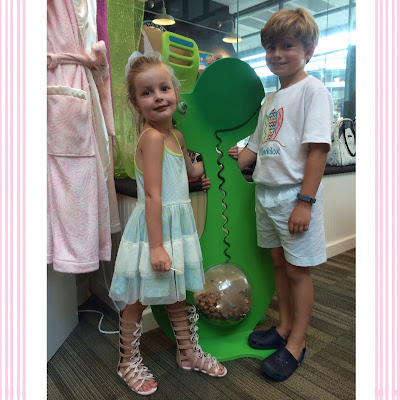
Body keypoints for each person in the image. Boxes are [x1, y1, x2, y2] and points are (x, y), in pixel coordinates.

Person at [223, 8, 333, 382]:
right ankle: (284, 327)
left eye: (287, 46)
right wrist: (216, 161)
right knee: (279, 263)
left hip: (294, 196)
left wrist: (305, 202)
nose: (276, 54)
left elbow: (318, 151)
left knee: (299, 271)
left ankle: (297, 344)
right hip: (266, 195)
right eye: (271, 47)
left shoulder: (313, 91)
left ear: (308, 51)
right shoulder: (271, 101)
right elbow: (253, 150)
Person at [109, 51, 227, 396]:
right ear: (136, 103)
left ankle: (187, 352)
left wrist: (201, 174)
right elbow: (152, 195)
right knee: (137, 299)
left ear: (176, 92)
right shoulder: (152, 138)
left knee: (177, 291)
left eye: (164, 88)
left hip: (176, 227)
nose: (159, 97)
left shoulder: (176, 136)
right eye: (147, 92)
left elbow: (187, 169)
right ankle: (126, 361)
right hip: (155, 230)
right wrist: (157, 247)